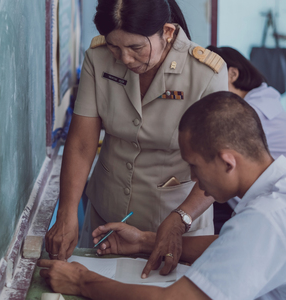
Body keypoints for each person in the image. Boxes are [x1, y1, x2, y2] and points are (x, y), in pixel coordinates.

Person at [38, 91, 286, 300]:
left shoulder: (265, 217)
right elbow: (234, 249)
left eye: (195, 166)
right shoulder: (276, 186)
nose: (194, 178)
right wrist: (146, 242)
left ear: (227, 162)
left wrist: (81, 281)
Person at [45, 0, 228, 265]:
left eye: (136, 47)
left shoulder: (206, 73)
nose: (125, 58)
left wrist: (180, 220)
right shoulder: (98, 58)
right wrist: (67, 211)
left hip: (174, 219)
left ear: (167, 31)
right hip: (106, 213)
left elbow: (216, 167)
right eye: (114, 46)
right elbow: (83, 142)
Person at [206, 46, 286, 233]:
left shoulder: (248, 111)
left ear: (232, 74)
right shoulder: (267, 96)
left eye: (209, 76)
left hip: (266, 204)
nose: (203, 84)